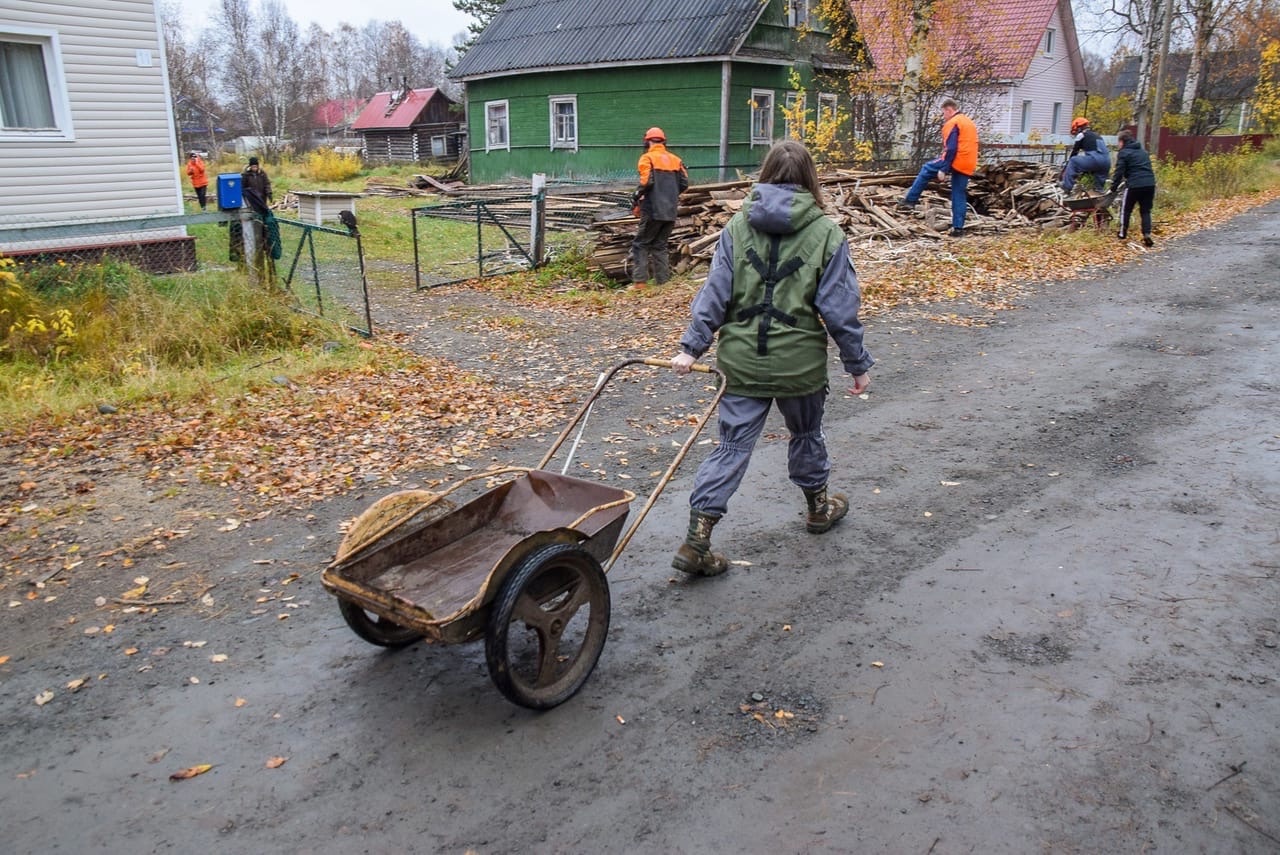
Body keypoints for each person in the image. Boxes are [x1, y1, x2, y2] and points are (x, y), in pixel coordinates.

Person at [669, 139, 874, 577]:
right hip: (799, 365)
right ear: (810, 179)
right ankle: (818, 510)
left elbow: (714, 294)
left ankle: (697, 540)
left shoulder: (736, 228)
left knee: (732, 446)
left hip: (742, 362)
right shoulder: (826, 233)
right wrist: (856, 364)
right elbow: (840, 309)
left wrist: (691, 347)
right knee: (806, 435)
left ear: (764, 175)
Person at [896, 97, 979, 237]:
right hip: (968, 162)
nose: (944, 116)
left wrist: (943, 169)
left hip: (956, 159)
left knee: (926, 169)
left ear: (949, 110)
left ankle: (910, 200)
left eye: (944, 113)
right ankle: (958, 228)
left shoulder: (953, 123)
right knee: (959, 193)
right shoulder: (968, 122)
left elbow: (951, 148)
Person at [629, 127, 688, 286]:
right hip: (670, 210)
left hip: (653, 209)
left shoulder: (647, 158)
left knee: (640, 244)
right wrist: (670, 195)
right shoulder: (676, 159)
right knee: (660, 245)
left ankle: (640, 282)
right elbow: (684, 183)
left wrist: (635, 198)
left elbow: (646, 182)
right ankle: (663, 282)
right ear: (663, 141)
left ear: (647, 141)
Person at [1110, 129, 1157, 247]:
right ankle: (1146, 234)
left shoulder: (1124, 153)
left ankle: (1122, 233)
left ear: (1122, 142)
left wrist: (1113, 188)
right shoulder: (1143, 152)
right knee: (1145, 211)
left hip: (1134, 185)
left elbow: (1119, 172)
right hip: (1150, 184)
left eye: (1118, 142)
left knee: (1126, 209)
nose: (1118, 144)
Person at [1061, 117, 1110, 194]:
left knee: (1073, 160)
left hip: (1095, 160)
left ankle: (1067, 187)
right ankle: (1098, 190)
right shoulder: (1097, 136)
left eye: (1076, 131)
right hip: (1106, 162)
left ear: (1079, 128)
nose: (1076, 133)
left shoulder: (1081, 135)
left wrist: (1067, 167)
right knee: (1098, 187)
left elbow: (1074, 152)